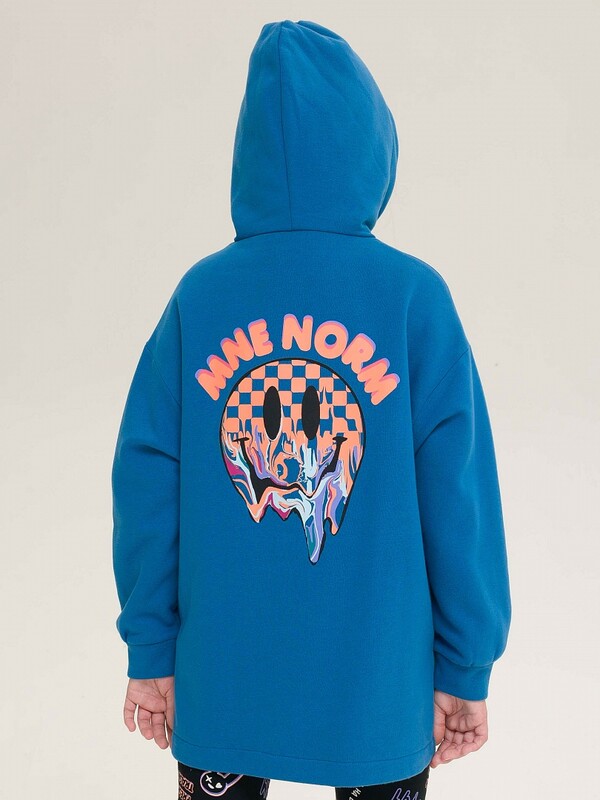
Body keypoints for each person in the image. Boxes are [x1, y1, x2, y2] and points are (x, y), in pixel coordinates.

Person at [111, 18, 512, 798]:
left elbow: (146, 479)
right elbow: (459, 495)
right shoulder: (412, 298)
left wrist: (151, 647)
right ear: (372, 150)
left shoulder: (201, 297)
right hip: (380, 692)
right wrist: (465, 663)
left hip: (223, 680)